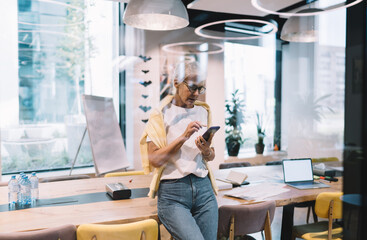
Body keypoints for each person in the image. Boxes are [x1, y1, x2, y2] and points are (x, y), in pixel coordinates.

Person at [140, 62, 218, 240]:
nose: (197, 93)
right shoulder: (160, 114)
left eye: (201, 88)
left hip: (204, 189)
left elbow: (211, 155)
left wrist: (206, 151)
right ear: (176, 82)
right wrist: (183, 137)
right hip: (173, 193)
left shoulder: (203, 111)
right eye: (192, 87)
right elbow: (155, 159)